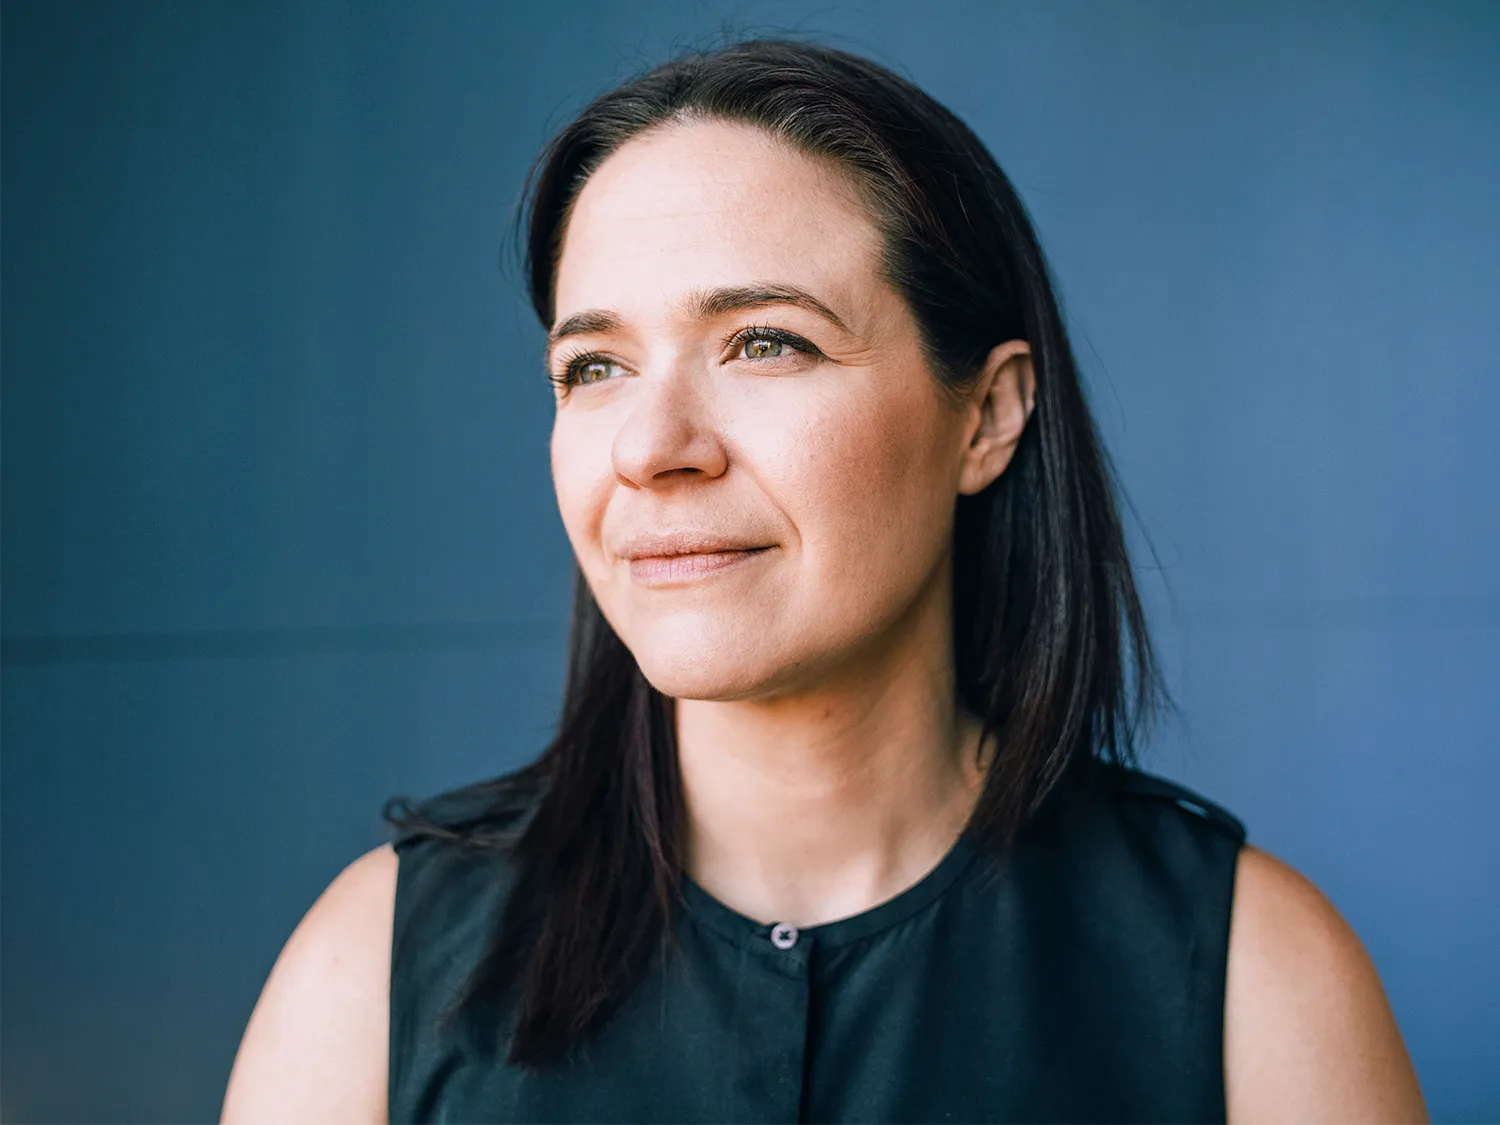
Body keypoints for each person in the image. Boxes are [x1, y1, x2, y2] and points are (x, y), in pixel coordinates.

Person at [220, 37, 1428, 1124]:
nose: (651, 446)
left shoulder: (1252, 977)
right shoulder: (370, 970)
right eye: (594, 367)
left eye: (767, 342)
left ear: (988, 416)